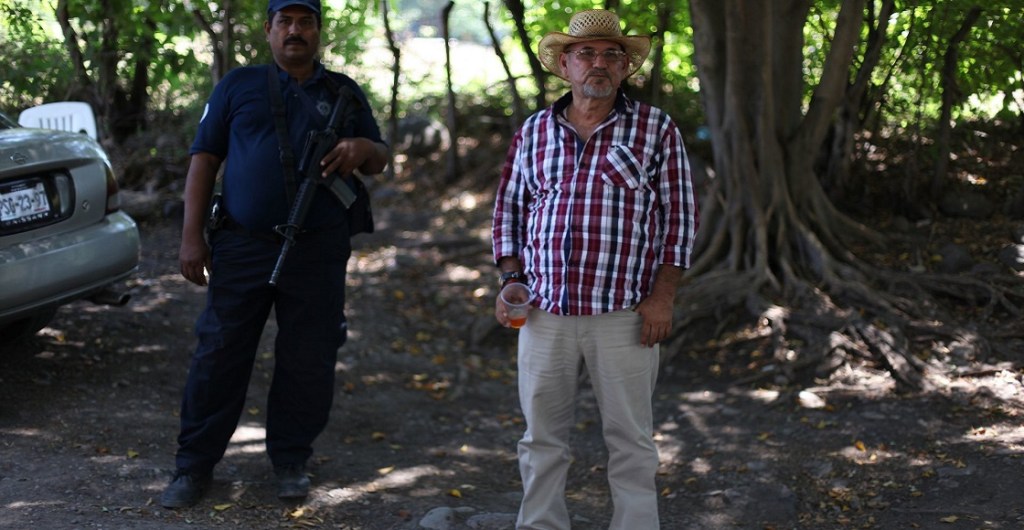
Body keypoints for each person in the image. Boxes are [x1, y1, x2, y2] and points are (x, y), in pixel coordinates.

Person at [160, 0, 388, 509]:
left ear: (317, 31)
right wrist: (190, 237)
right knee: (219, 354)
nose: (295, 31)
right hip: (242, 245)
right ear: (268, 31)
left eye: (305, 22)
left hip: (319, 250)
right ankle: (193, 467)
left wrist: (360, 149)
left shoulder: (343, 93)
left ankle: (290, 460)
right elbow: (204, 159)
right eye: (285, 22)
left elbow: (380, 157)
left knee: (308, 356)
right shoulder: (238, 87)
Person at [491, 9, 699, 530]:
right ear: (565, 64)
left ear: (627, 66)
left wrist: (663, 297)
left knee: (631, 440)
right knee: (541, 439)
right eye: (587, 53)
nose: (599, 63)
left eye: (612, 54)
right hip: (544, 313)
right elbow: (508, 213)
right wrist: (510, 279)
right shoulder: (535, 130)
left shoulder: (656, 128)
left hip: (624, 315)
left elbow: (681, 218)